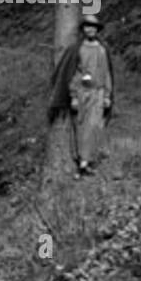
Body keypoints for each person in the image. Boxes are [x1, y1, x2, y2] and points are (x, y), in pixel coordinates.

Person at [47, 10, 114, 176]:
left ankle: (87, 160)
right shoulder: (77, 49)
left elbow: (106, 73)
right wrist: (74, 97)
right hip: (83, 93)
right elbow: (72, 74)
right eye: (87, 27)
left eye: (93, 27)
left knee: (96, 127)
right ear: (83, 29)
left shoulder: (103, 49)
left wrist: (107, 95)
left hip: (98, 93)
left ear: (97, 30)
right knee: (82, 127)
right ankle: (82, 162)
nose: (90, 30)